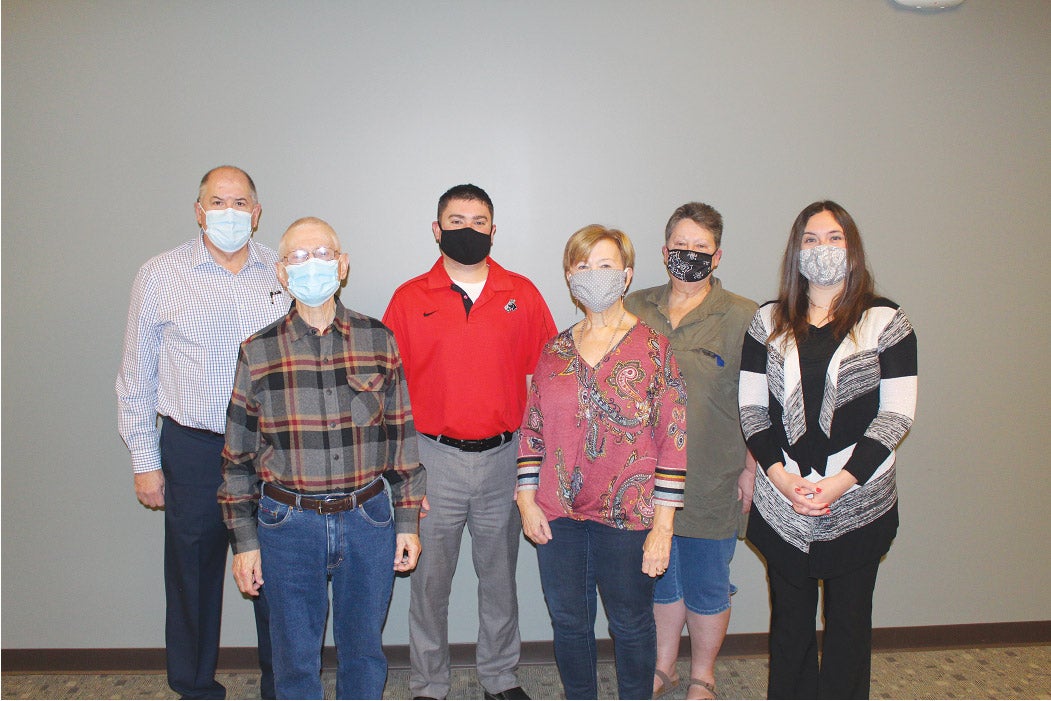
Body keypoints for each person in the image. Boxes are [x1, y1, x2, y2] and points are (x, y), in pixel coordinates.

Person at [217, 217, 425, 699]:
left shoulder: (379, 340)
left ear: (343, 264)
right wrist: (244, 542)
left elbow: (401, 436)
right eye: (297, 257)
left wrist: (408, 520)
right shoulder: (258, 351)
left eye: (323, 254)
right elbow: (236, 458)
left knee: (365, 653)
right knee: (293, 659)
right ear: (282, 275)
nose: (312, 265)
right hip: (287, 524)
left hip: (368, 519)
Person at [116, 165, 285, 699]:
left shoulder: (281, 274)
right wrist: (145, 460)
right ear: (198, 210)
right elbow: (135, 373)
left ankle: (282, 686)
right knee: (191, 573)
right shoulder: (159, 274)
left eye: (240, 203)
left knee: (276, 573)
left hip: (270, 450)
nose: (229, 213)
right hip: (191, 447)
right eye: (218, 202)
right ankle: (193, 687)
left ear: (256, 214)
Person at [383, 184, 556, 701]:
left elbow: (547, 381)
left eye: (479, 221)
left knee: (500, 579)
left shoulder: (520, 294)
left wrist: (536, 466)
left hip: (505, 457)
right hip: (432, 459)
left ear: (493, 230)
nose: (468, 230)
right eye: (456, 220)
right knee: (429, 584)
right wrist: (405, 474)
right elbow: (389, 396)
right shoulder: (409, 299)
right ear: (437, 230)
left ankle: (500, 678)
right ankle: (428, 685)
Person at [738, 201, 917, 699]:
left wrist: (840, 483)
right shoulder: (766, 321)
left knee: (849, 626)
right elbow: (752, 411)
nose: (822, 248)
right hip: (783, 502)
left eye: (834, 237)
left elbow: (896, 416)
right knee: (789, 628)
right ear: (797, 251)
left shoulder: (886, 321)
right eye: (811, 238)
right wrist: (780, 478)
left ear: (852, 248)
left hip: (859, 502)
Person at [516, 224, 688, 700]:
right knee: (569, 622)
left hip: (629, 516)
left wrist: (664, 527)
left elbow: (673, 439)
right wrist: (526, 499)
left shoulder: (656, 349)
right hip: (559, 515)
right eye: (582, 265)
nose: (593, 275)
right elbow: (532, 429)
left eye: (606, 265)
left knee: (630, 623)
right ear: (569, 277)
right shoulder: (554, 350)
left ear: (627, 275)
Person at [624, 202, 759, 700]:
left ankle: (703, 673)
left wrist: (750, 468)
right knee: (659, 579)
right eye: (681, 245)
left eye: (701, 248)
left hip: (712, 477)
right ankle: (664, 668)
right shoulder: (633, 308)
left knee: (706, 582)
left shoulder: (745, 317)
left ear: (718, 256)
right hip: (642, 480)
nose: (690, 255)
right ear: (664, 251)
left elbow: (761, 403)